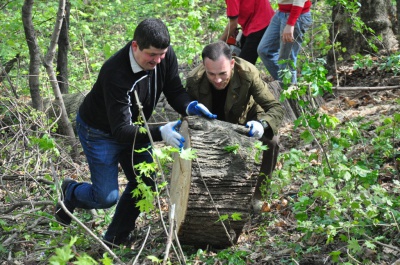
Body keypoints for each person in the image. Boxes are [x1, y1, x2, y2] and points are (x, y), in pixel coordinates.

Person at [54, 18, 216, 246]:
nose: (158, 60)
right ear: (135, 46)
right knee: (105, 197)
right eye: (152, 55)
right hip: (100, 132)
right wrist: (161, 131)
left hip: (136, 127)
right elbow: (120, 131)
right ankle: (70, 192)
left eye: (162, 54)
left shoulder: (165, 56)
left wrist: (190, 106)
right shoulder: (115, 72)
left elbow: (174, 90)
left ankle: (115, 239)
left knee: (144, 183)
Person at [186, 41, 284, 211]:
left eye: (223, 73)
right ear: (203, 66)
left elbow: (275, 108)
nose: (217, 80)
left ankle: (259, 196)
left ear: (232, 63)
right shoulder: (194, 80)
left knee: (272, 140)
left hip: (247, 119)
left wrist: (262, 124)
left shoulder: (247, 73)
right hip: (213, 125)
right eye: (211, 74)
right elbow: (187, 118)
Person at [257, 0, 312, 84]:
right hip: (281, 12)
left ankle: (290, 94)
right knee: (264, 51)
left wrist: (290, 23)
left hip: (297, 15)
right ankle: (284, 85)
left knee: (287, 61)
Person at [219, 0, 275, 65]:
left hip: (259, 25)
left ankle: (284, 74)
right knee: (238, 55)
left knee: (243, 66)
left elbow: (233, 24)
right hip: (265, 18)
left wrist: (219, 43)